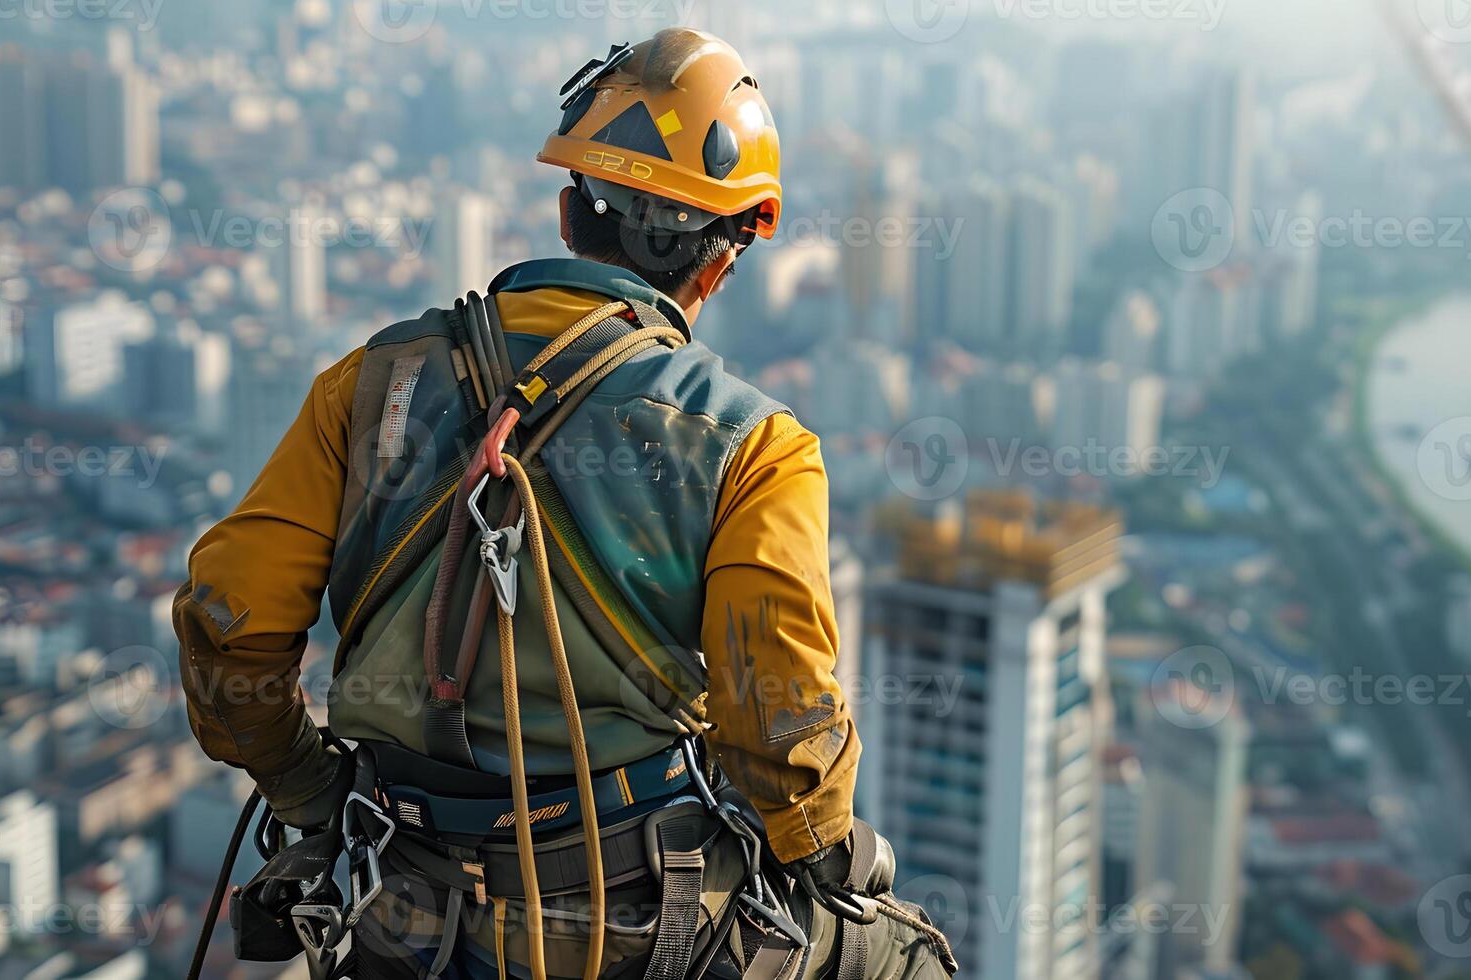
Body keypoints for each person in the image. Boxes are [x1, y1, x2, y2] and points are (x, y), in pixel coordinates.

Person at [174, 28, 953, 980]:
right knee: (907, 960)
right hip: (640, 914)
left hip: (400, 905)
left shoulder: (371, 385)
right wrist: (825, 847)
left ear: (566, 213)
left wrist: (308, 787)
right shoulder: (756, 447)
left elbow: (231, 621)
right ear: (719, 263)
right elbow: (777, 717)